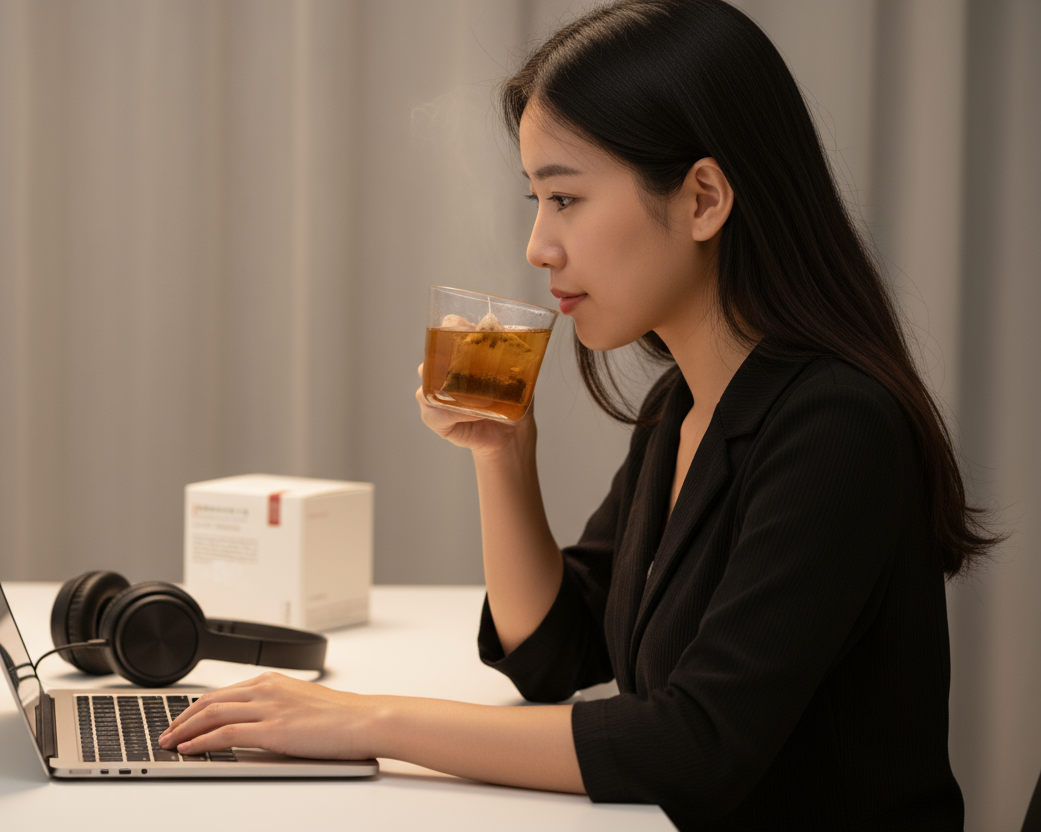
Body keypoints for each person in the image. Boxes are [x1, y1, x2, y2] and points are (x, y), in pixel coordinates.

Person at [159, 1, 997, 828]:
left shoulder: (836, 427)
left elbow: (693, 745)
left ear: (703, 198)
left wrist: (365, 722)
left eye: (565, 199)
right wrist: (501, 453)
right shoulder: (685, 406)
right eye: (534, 200)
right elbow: (558, 650)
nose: (538, 246)